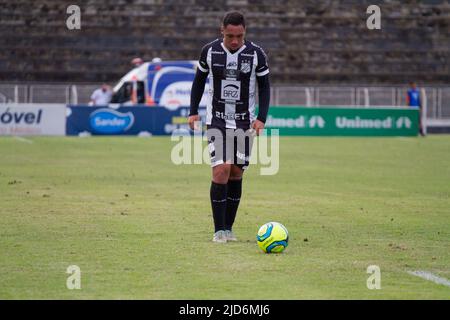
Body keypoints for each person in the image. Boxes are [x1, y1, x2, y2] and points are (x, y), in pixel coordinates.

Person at [188, 11, 271, 243]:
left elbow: (265, 87)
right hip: (217, 120)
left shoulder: (256, 54)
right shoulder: (210, 51)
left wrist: (261, 117)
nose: (235, 40)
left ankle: (228, 228)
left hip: (245, 122)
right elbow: (198, 82)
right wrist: (192, 111)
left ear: (245, 32)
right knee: (221, 169)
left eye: (239, 36)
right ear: (221, 31)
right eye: (230, 36)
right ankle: (218, 231)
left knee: (236, 172)